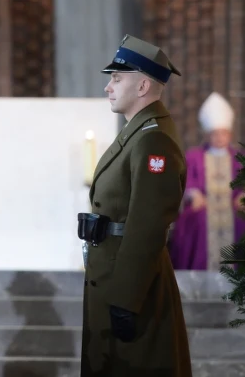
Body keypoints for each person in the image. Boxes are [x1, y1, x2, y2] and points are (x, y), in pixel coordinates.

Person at [78, 34, 191, 376]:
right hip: (114, 278)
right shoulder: (138, 132)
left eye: (116, 78)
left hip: (130, 288)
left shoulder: (153, 139)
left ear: (142, 86)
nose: (108, 87)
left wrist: (126, 300)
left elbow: (148, 225)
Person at [169, 92, 245, 270]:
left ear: (230, 134)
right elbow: (187, 179)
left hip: (232, 205)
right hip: (204, 204)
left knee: (240, 221)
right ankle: (198, 275)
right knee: (198, 221)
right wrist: (194, 193)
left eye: (223, 133)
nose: (219, 138)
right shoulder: (194, 156)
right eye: (215, 134)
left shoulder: (239, 157)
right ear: (207, 134)